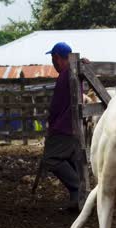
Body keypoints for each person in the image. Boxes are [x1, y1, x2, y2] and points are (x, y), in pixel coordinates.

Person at [42, 42, 80, 211]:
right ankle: (76, 199)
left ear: (57, 58)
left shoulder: (65, 74)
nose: (52, 62)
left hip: (63, 127)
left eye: (52, 58)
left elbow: (56, 106)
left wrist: (51, 124)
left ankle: (79, 189)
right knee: (71, 159)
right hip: (72, 125)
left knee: (50, 159)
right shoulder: (74, 71)